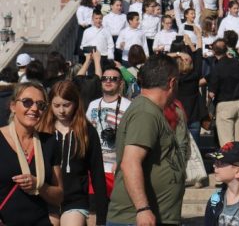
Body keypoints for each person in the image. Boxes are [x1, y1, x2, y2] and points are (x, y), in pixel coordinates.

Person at [107, 55, 186, 226]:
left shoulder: (151, 111)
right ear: (172, 83)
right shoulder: (145, 112)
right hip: (135, 219)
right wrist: (143, 209)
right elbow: (130, 162)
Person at [38, 80, 107, 226]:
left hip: (75, 200)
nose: (61, 111)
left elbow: (97, 173)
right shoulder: (41, 130)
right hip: (45, 199)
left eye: (66, 105)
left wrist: (101, 215)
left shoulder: (87, 132)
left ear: (76, 103)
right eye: (56, 106)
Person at [0, 82, 63, 225]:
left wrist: (39, 186)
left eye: (40, 105)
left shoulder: (50, 142)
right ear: (12, 106)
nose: (34, 109)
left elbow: (59, 195)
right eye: (27, 102)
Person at [86, 65, 132, 198]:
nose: (108, 81)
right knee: (95, 210)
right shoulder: (93, 104)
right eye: (104, 78)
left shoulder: (129, 106)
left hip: (117, 169)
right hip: (95, 169)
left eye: (113, 79)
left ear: (121, 83)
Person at [207, 39, 239, 146]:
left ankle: (229, 162)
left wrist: (207, 106)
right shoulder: (237, 63)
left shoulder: (217, 68)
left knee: (227, 144)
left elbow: (211, 93)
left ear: (214, 52)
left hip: (225, 105)